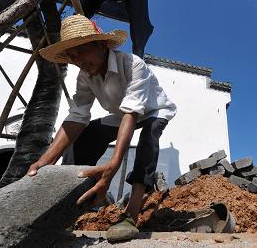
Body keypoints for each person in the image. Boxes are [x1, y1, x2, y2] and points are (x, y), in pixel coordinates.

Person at [27, 15, 176, 241]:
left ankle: (131, 213)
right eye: (73, 57)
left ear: (101, 45)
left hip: (153, 110)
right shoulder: (85, 76)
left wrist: (113, 165)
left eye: (82, 51)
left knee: (149, 138)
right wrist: (45, 160)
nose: (79, 61)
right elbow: (77, 116)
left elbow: (132, 112)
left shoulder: (132, 64)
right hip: (122, 114)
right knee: (88, 136)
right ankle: (73, 198)